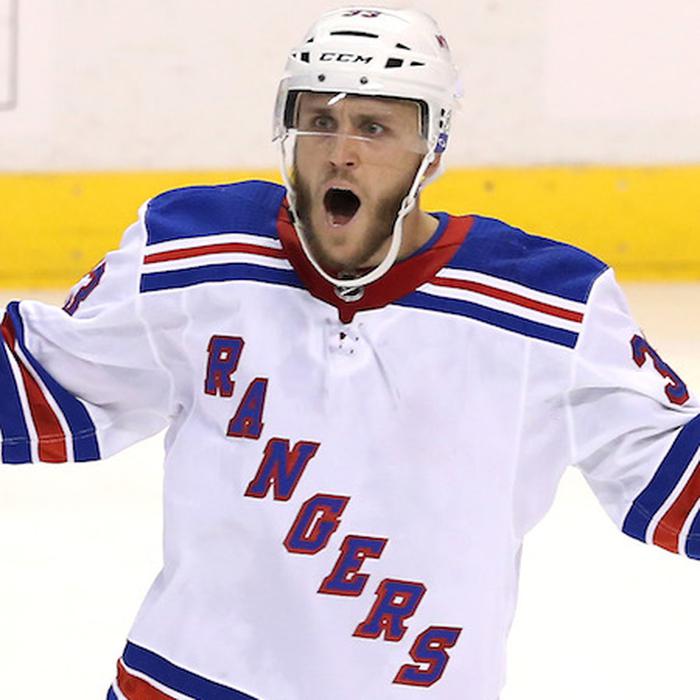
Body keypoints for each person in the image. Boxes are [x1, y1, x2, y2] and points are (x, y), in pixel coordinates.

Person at [1, 7, 698, 700]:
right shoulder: (194, 252)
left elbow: (669, 473)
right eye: (320, 121)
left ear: (432, 151)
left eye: (374, 127)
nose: (341, 151)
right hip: (186, 682)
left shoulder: (548, 308)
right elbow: (46, 382)